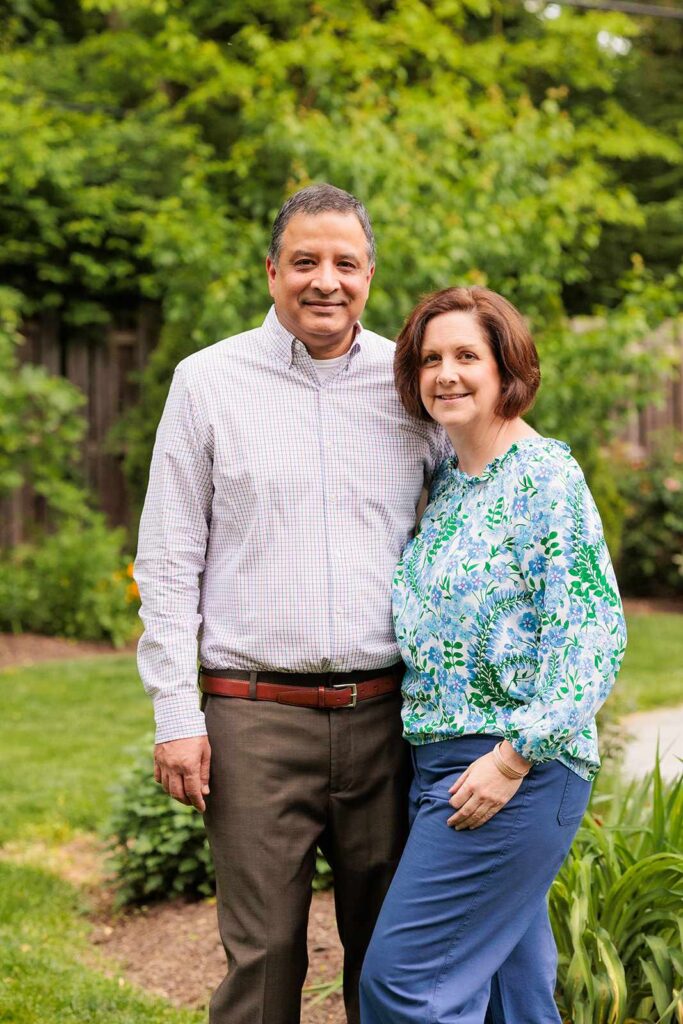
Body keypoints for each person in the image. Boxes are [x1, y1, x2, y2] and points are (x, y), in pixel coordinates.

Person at [134, 183, 447, 1024]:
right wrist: (176, 715)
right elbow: (167, 560)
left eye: (344, 263)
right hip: (253, 717)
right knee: (263, 958)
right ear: (272, 271)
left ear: (370, 275)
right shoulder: (206, 383)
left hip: (389, 715)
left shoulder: (410, 388)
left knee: (389, 958)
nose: (325, 280)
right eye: (304, 261)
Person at [359, 286, 627, 1024]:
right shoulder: (449, 484)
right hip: (438, 762)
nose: (445, 373)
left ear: (505, 368)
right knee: (515, 996)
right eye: (430, 358)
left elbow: (591, 633)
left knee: (403, 985)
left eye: (465, 356)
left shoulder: (544, 476)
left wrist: (512, 759)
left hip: (514, 768)